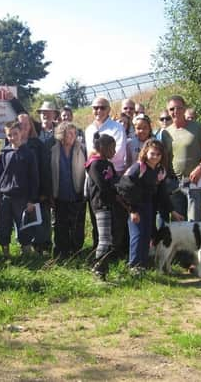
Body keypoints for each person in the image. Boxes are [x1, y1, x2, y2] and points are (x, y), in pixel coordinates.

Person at [116, 139, 183, 272]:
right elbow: (124, 188)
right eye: (152, 153)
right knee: (137, 235)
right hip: (135, 207)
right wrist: (133, 210)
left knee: (147, 235)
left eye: (158, 154)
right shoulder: (138, 168)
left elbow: (162, 194)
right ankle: (134, 266)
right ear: (145, 152)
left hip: (149, 206)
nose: (155, 157)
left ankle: (143, 266)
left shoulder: (160, 171)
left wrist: (172, 211)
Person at [84, 97, 128, 256]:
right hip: (95, 177)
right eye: (95, 107)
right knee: (98, 220)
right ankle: (99, 254)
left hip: (112, 176)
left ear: (109, 110)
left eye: (102, 107)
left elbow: (118, 154)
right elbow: (89, 154)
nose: (98, 111)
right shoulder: (89, 129)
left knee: (115, 220)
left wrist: (102, 158)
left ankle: (115, 252)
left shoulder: (117, 127)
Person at [161, 95, 201, 222]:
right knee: (178, 222)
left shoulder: (198, 128)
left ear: (184, 109)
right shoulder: (165, 133)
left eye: (179, 108)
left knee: (194, 222)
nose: (175, 111)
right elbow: (165, 159)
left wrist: (199, 169)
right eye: (172, 109)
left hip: (193, 181)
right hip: (174, 183)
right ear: (168, 111)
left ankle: (195, 243)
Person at [0, 121, 39, 259]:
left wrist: (32, 200)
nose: (12, 137)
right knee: (3, 227)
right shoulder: (4, 153)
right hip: (5, 196)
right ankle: (6, 255)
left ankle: (26, 255)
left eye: (15, 134)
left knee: (24, 227)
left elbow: (34, 179)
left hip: (22, 198)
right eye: (9, 135)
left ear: (21, 133)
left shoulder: (29, 154)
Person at [49, 122, 86, 258]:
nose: (73, 136)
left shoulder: (81, 149)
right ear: (61, 134)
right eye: (69, 133)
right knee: (60, 226)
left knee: (77, 225)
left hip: (77, 193)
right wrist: (51, 194)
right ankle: (61, 252)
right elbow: (49, 173)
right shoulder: (53, 150)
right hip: (60, 194)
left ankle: (76, 251)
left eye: (74, 133)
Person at [17, 113, 52, 253]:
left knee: (41, 221)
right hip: (19, 192)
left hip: (37, 190)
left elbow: (44, 169)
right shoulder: (11, 143)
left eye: (26, 124)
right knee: (22, 220)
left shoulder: (37, 144)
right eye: (20, 124)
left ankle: (42, 248)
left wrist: (45, 192)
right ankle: (25, 248)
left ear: (30, 126)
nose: (24, 127)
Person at [85, 134, 117, 275]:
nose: (114, 152)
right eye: (112, 148)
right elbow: (103, 186)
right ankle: (97, 268)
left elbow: (116, 181)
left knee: (108, 239)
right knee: (103, 239)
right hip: (100, 205)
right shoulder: (94, 164)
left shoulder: (109, 164)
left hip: (110, 204)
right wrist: (114, 189)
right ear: (102, 148)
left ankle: (103, 268)